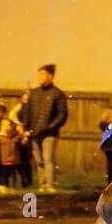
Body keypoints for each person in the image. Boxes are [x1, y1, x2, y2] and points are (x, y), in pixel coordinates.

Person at [19, 64, 68, 192]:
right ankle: (43, 185)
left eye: (43, 74)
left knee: (47, 158)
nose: (40, 77)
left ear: (50, 76)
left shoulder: (58, 94)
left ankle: (51, 185)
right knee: (39, 160)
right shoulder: (33, 93)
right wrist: (25, 129)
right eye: (39, 74)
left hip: (49, 134)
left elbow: (62, 115)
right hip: (34, 133)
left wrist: (50, 128)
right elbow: (26, 113)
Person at [0, 118, 23, 191]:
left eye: (8, 125)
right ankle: (3, 186)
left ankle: (12, 187)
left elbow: (20, 143)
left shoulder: (15, 137)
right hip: (5, 160)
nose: (6, 127)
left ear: (12, 126)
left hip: (15, 159)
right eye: (3, 125)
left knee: (13, 174)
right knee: (4, 174)